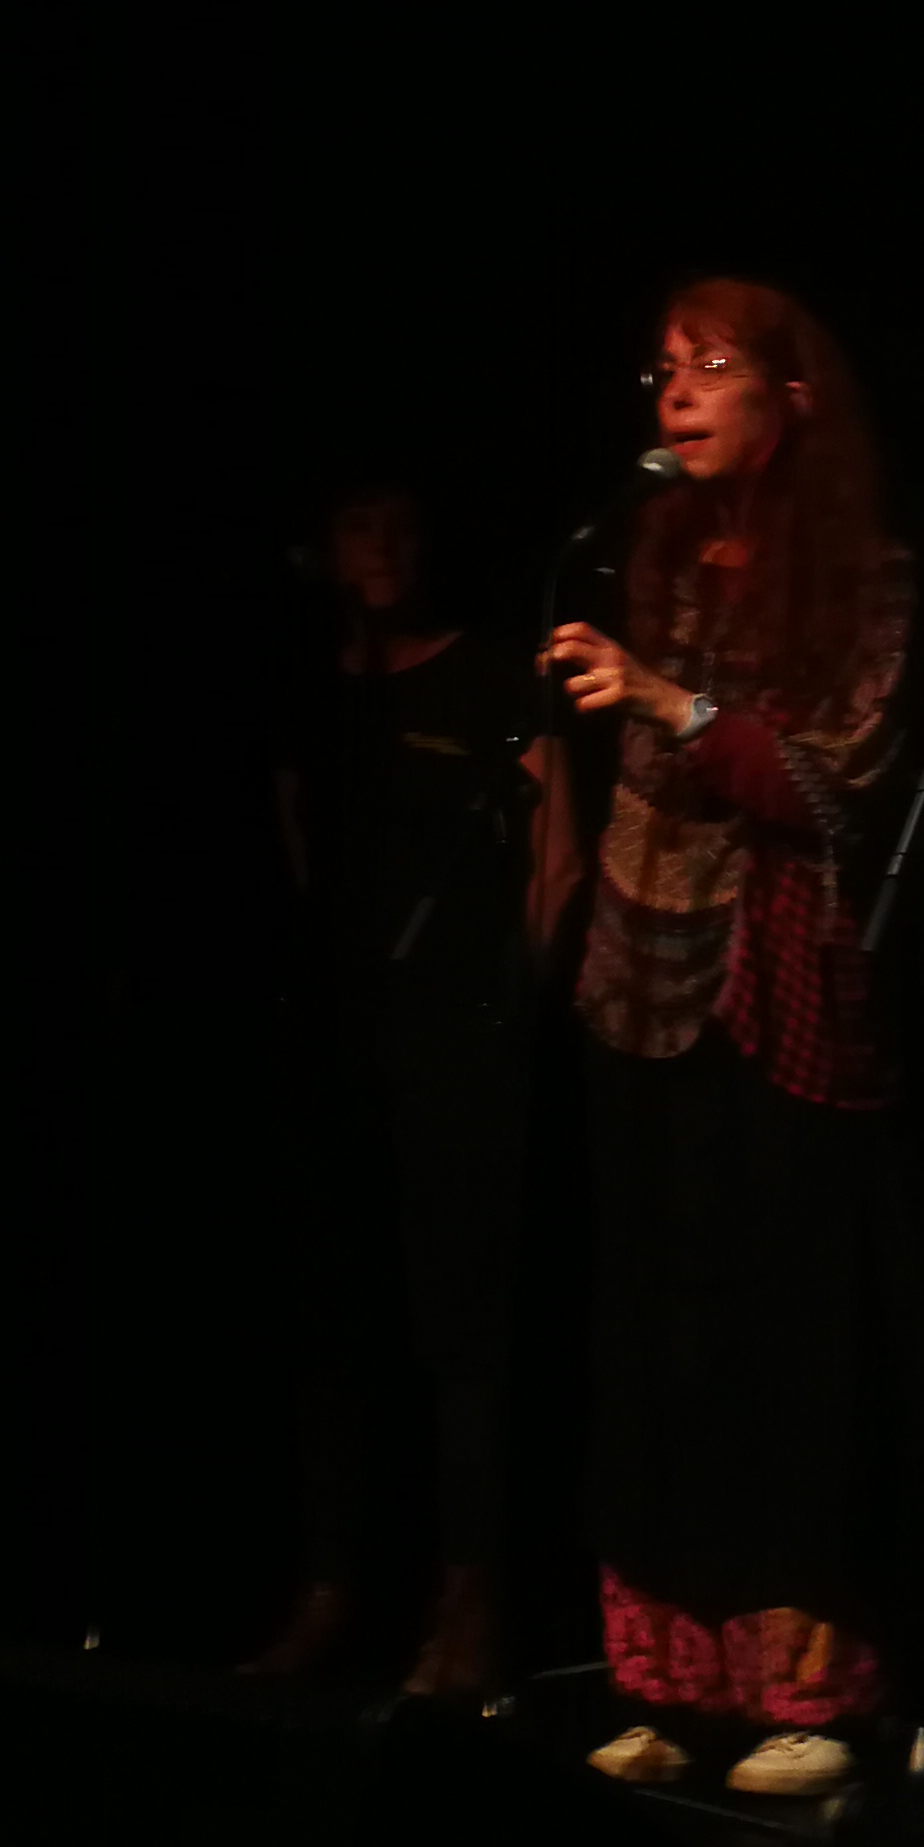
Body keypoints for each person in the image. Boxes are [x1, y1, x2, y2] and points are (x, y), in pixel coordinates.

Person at [540, 277, 912, 1800]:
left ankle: (804, 1691)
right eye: (662, 371)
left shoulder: (867, 577)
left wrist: (676, 705)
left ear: (791, 397)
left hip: (778, 985)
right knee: (652, 1332)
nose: (675, 394)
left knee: (783, 1336)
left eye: (709, 367)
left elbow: (836, 786)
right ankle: (666, 1678)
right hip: (638, 974)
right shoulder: (654, 555)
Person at [248, 479, 577, 1699]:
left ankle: (468, 1599)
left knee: (462, 1328)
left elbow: (555, 860)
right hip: (339, 1042)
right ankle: (331, 1588)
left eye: (400, 523)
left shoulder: (490, 675)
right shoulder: (313, 694)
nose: (380, 547)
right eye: (356, 523)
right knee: (334, 1317)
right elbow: (301, 848)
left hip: (460, 1044)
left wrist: (499, 1009)